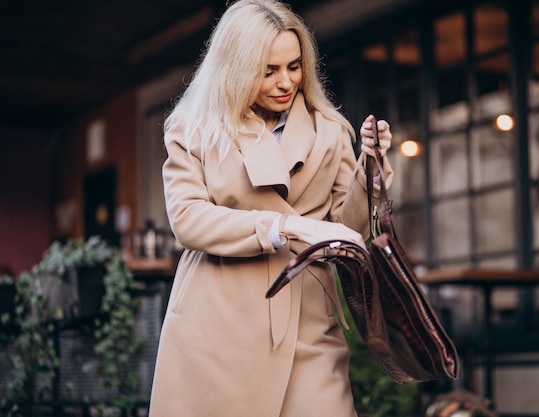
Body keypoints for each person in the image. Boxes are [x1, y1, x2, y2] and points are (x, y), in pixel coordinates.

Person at [148, 0, 393, 416]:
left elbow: (346, 228)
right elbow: (188, 220)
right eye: (268, 71)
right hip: (218, 322)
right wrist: (286, 226)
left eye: (294, 67)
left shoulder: (329, 131)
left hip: (307, 321)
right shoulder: (195, 127)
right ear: (237, 68)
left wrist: (371, 170)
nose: (286, 82)